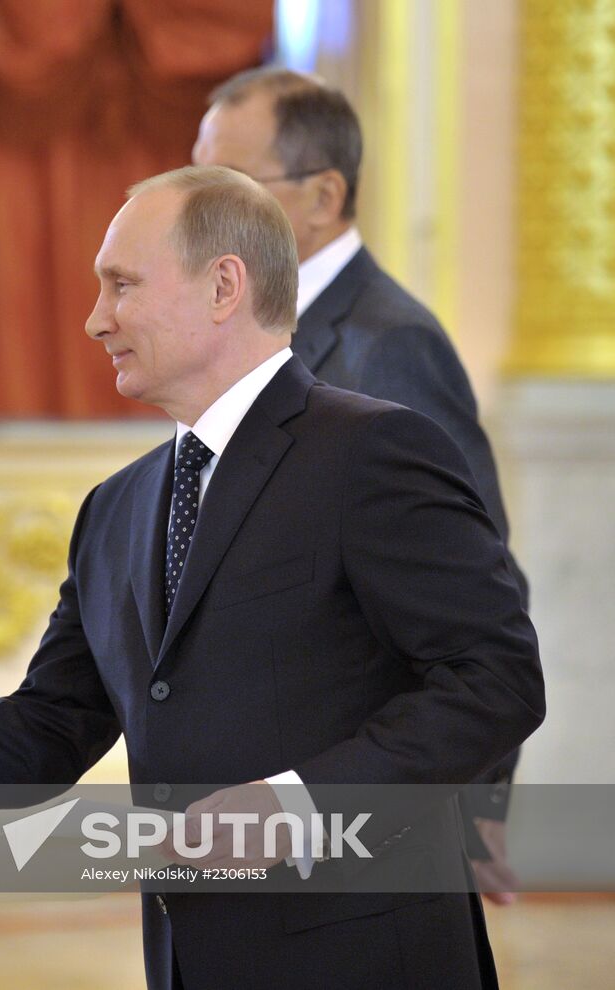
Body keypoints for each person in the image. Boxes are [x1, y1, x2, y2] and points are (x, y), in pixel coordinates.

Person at [0, 166, 544, 989]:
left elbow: (497, 680)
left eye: (121, 286)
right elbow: (51, 723)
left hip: (368, 957)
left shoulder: (374, 452)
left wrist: (294, 805)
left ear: (224, 286)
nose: (94, 320)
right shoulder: (116, 509)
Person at [190, 68, 527, 895]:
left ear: (322, 194)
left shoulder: (389, 345)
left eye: (226, 183)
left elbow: (477, 591)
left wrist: (475, 801)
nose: (199, 209)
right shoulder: (250, 328)